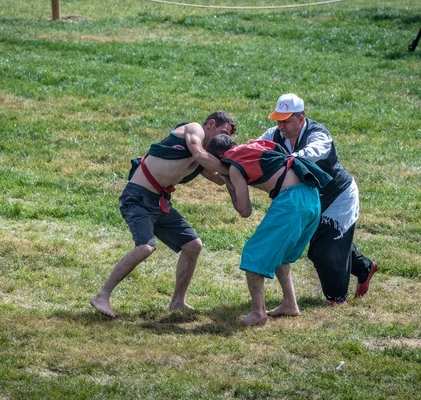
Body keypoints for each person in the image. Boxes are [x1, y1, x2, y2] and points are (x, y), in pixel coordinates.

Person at [90, 111, 237, 318]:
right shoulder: (194, 129)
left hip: (159, 202)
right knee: (145, 247)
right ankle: (102, 296)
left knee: (193, 245)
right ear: (211, 124)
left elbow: (219, 179)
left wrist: (238, 164)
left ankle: (178, 302)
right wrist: (227, 167)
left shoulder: (205, 158)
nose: (221, 140)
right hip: (138, 198)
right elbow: (198, 154)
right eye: (222, 132)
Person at [258, 93, 377, 306]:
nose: (280, 125)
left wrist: (287, 159)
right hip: (310, 199)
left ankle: (337, 300)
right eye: (278, 119)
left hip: (338, 197)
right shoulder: (274, 134)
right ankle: (364, 267)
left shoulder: (319, 135)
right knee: (328, 243)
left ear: (300, 119)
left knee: (323, 252)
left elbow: (311, 153)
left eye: (285, 120)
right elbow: (257, 149)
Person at [207, 134, 331, 325]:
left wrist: (229, 182)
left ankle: (258, 313)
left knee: (253, 254)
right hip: (312, 196)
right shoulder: (255, 146)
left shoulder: (233, 165)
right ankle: (290, 304)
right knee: (282, 256)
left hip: (291, 201)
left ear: (219, 157)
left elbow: (244, 211)